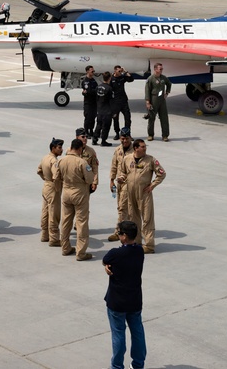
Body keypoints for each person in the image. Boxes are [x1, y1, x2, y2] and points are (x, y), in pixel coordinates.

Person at [102, 220, 147, 369]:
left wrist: (107, 267)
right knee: (138, 332)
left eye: (119, 233)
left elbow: (105, 260)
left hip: (117, 302)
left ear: (125, 236)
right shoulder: (139, 251)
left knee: (118, 334)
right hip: (134, 300)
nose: (118, 235)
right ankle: (138, 364)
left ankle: (116, 366)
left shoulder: (116, 253)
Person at [118, 139, 166, 254]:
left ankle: (149, 245)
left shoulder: (150, 160)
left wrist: (152, 185)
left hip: (144, 193)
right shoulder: (127, 159)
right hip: (130, 192)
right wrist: (121, 178)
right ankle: (137, 241)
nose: (145, 148)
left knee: (147, 218)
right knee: (133, 218)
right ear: (136, 148)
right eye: (142, 147)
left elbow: (161, 173)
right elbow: (123, 172)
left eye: (145, 146)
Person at [58, 138, 95, 261]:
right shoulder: (82, 162)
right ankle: (81, 252)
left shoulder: (61, 160)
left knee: (66, 221)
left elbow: (56, 176)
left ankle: (65, 248)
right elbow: (90, 179)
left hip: (66, 192)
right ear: (80, 149)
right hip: (79, 194)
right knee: (81, 222)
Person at [107, 130, 134, 241]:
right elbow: (114, 165)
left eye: (126, 138)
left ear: (130, 138)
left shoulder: (134, 151)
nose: (124, 141)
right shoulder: (118, 150)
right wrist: (112, 180)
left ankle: (119, 232)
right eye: (122, 138)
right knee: (121, 207)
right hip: (119, 183)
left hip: (129, 183)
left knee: (122, 208)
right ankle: (128, 231)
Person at [37, 137, 64, 246]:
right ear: (53, 148)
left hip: (46, 186)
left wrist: (45, 178)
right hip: (53, 188)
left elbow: (39, 170)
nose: (61, 150)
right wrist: (57, 182)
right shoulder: (54, 161)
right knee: (54, 213)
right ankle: (54, 238)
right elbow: (56, 175)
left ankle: (44, 235)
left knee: (45, 211)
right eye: (59, 147)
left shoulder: (45, 158)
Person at [144, 63, 172, 141]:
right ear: (155, 69)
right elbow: (147, 91)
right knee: (151, 118)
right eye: (160, 69)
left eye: (162, 69)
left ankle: (165, 135)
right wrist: (148, 102)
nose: (161, 70)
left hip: (162, 100)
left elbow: (169, 84)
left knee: (164, 118)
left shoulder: (163, 78)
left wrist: (167, 92)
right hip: (154, 98)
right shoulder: (150, 79)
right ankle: (150, 134)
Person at [110, 66, 135, 140]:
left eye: (121, 71)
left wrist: (126, 71)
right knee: (115, 118)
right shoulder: (111, 79)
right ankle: (117, 133)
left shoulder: (122, 77)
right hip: (115, 102)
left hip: (124, 101)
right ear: (115, 71)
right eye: (119, 71)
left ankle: (128, 133)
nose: (120, 73)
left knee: (128, 118)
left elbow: (131, 79)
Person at [76, 127, 100, 194]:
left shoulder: (91, 151)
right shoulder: (70, 150)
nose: (85, 138)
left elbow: (95, 167)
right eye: (83, 137)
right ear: (77, 137)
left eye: (86, 136)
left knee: (84, 203)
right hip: (74, 182)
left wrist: (95, 182)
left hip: (85, 182)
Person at [95, 71, 114, 146]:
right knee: (106, 126)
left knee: (98, 125)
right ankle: (103, 140)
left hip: (100, 109)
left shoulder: (98, 87)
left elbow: (96, 97)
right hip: (107, 111)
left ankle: (95, 139)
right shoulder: (109, 88)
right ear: (109, 78)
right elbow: (111, 100)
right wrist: (114, 111)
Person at [81, 65, 98, 138]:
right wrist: (89, 92)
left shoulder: (93, 80)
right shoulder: (85, 81)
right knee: (88, 117)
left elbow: (96, 89)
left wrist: (91, 92)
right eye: (92, 71)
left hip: (94, 101)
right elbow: (88, 91)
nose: (93, 72)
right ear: (88, 71)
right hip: (88, 102)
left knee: (93, 117)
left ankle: (91, 130)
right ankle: (86, 131)